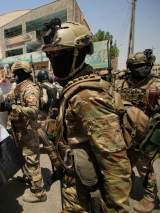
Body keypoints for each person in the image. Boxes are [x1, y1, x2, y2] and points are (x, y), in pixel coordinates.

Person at [42, 19, 131, 212]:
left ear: (78, 52)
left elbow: (115, 160)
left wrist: (117, 207)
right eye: (50, 54)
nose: (53, 59)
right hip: (76, 185)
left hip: (86, 196)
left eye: (58, 53)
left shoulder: (87, 96)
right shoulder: (73, 87)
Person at [115, 49, 160, 213]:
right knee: (124, 164)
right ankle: (126, 186)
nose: (140, 69)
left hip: (145, 133)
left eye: (143, 65)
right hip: (125, 132)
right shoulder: (122, 82)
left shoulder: (155, 84)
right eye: (136, 66)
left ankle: (150, 198)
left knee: (145, 167)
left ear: (149, 65)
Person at [6, 60, 47, 203]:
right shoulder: (19, 87)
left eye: (16, 73)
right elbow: (9, 98)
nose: (14, 76)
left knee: (31, 159)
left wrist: (14, 108)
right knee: (24, 157)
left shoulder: (30, 88)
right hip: (20, 130)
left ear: (22, 73)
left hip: (28, 131)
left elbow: (33, 111)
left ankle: (38, 192)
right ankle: (29, 179)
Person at [36, 70, 62, 181]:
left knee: (49, 147)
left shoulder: (42, 87)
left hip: (44, 119)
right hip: (54, 119)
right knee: (56, 144)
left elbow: (44, 101)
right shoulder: (55, 86)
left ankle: (57, 170)